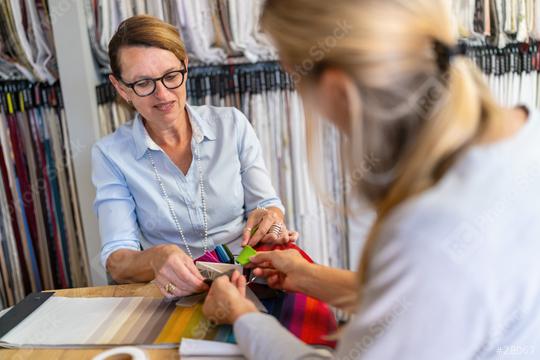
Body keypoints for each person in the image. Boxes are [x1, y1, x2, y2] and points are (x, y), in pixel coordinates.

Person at [201, 0, 540, 359]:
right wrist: (307, 276)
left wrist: (243, 317)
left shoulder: (425, 229)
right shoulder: (525, 134)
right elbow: (429, 302)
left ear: (338, 91)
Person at [91, 15, 297, 297]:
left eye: (171, 76)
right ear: (120, 88)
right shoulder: (111, 154)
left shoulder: (232, 125)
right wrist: (156, 257)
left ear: (185, 66)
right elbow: (117, 259)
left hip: (251, 277)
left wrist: (270, 219)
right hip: (175, 292)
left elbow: (267, 204)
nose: (162, 94)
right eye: (142, 83)